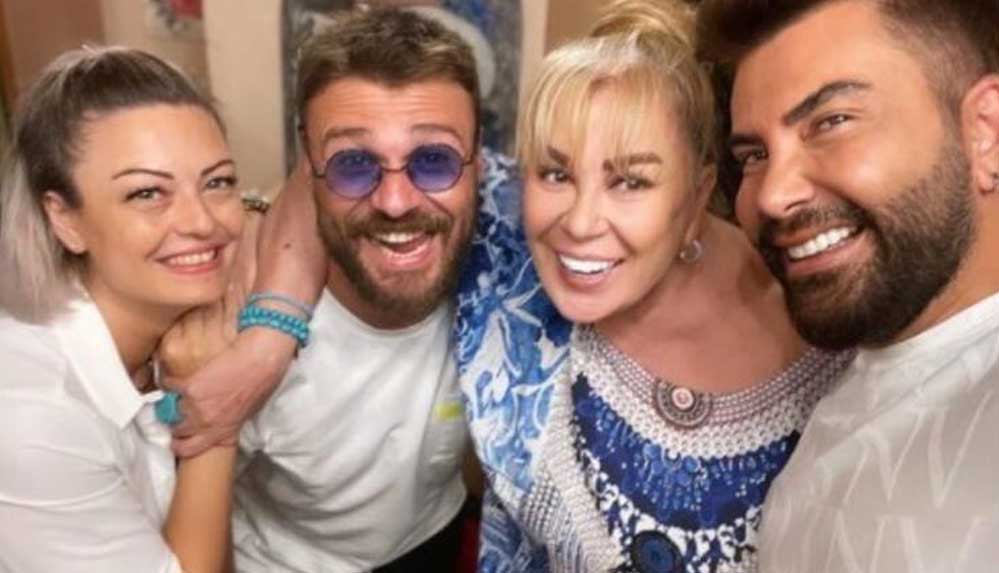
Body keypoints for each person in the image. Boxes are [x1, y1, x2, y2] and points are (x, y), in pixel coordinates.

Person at [454, 1, 852, 571]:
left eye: (630, 182)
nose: (580, 222)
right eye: (556, 173)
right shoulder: (500, 245)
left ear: (696, 197)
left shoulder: (833, 327)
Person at [192, 9, 502, 572]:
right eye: (354, 164)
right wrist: (268, 336)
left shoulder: (507, 267)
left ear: (478, 160)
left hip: (435, 538)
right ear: (310, 164)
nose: (396, 202)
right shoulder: (230, 329)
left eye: (433, 161)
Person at [697, 0, 999, 570]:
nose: (772, 196)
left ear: (985, 130)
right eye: (755, 155)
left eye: (831, 122)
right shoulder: (857, 380)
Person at [0, 46, 244, 572]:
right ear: (64, 219)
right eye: (147, 193)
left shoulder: (175, 327)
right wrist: (218, 414)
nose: (202, 222)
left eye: (217, 182)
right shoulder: (32, 416)